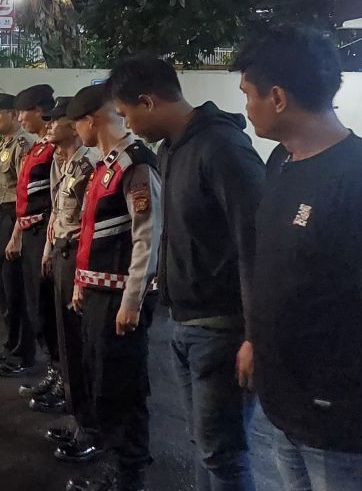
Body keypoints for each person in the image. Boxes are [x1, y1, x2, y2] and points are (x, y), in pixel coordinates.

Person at [230, 26, 362, 491]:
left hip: (345, 427)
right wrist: (256, 340)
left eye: (248, 94)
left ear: (277, 97)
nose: (247, 107)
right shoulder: (281, 162)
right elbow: (281, 272)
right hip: (288, 410)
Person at [109, 57, 264, 491]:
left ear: (148, 101)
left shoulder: (221, 148)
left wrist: (255, 335)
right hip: (186, 323)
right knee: (205, 444)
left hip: (222, 328)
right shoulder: (169, 150)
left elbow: (255, 242)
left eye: (126, 114)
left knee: (222, 452)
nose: (127, 124)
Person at [65, 83, 162, 491]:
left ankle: (128, 475)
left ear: (91, 121)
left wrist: (132, 300)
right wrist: (80, 282)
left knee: (123, 387)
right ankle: (114, 465)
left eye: (76, 123)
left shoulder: (135, 164)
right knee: (102, 382)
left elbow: (147, 237)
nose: (76, 131)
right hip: (98, 294)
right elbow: (92, 233)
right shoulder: (106, 166)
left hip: (120, 298)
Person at [39, 96, 103, 464]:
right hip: (64, 254)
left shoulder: (90, 163)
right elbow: (58, 212)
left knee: (82, 348)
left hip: (79, 259)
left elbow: (91, 221)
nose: (50, 125)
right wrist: (50, 248)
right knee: (68, 344)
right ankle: (79, 418)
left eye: (57, 119)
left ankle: (90, 427)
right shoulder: (68, 164)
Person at [0, 84, 57, 378]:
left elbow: (53, 201)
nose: (20, 118)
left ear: (39, 111)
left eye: (22, 112)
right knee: (32, 303)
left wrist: (19, 235)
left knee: (42, 306)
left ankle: (49, 369)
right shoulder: (39, 148)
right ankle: (52, 372)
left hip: (41, 231)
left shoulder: (48, 149)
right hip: (27, 228)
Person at [0, 92, 30, 364]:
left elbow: (25, 194)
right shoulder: (4, 146)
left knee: (15, 290)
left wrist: (17, 234)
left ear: (14, 114)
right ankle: (12, 345)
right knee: (3, 289)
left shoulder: (22, 145)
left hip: (11, 219)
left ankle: (22, 353)